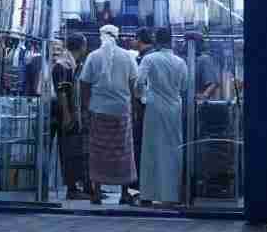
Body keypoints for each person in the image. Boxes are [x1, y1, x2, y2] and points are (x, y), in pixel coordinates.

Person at [80, 24, 138, 205]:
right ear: (116, 37)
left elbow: (84, 84)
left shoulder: (93, 56)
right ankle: (124, 193)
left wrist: (85, 107)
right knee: (123, 153)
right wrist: (134, 108)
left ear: (101, 37)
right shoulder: (128, 57)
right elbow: (134, 85)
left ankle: (97, 193)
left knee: (98, 152)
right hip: (121, 111)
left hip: (98, 111)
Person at [137, 27, 188, 207]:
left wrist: (143, 97)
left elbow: (139, 81)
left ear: (156, 41)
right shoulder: (180, 62)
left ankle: (147, 194)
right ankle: (171, 195)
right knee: (173, 150)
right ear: (171, 41)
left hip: (154, 108)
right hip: (174, 109)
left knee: (150, 150)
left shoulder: (149, 59)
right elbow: (184, 86)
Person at [52, 32, 90, 200]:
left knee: (74, 150)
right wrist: (67, 115)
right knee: (69, 150)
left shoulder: (71, 63)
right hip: (65, 114)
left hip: (71, 112)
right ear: (81, 46)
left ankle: (77, 187)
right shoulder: (64, 65)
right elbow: (62, 92)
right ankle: (72, 189)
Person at [132, 27, 155, 189]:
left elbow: (140, 83)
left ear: (139, 39)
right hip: (151, 106)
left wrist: (137, 98)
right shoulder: (148, 56)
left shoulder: (146, 58)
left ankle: (140, 184)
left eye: (134, 38)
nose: (132, 41)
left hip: (145, 107)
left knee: (140, 144)